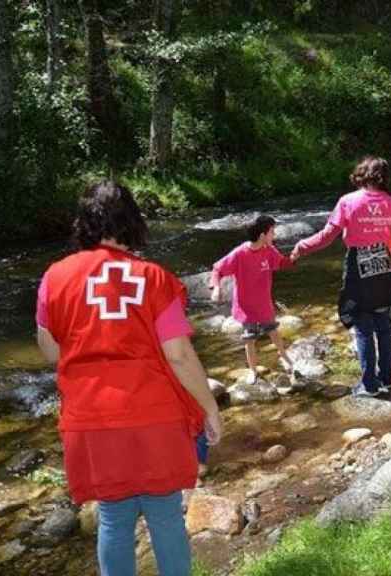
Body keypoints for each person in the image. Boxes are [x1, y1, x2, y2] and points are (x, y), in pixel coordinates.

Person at [35, 181, 223, 576]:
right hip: (154, 417)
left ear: (84, 221)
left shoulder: (55, 277)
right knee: (166, 516)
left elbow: (52, 351)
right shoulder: (154, 278)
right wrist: (209, 408)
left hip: (91, 420)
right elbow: (179, 355)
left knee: (113, 518)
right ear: (132, 221)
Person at [292, 156, 391, 397]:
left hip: (359, 266)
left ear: (362, 174)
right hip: (384, 265)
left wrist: (302, 246)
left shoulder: (348, 202)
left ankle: (369, 385)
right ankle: (386, 378)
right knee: (385, 325)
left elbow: (327, 236)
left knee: (363, 327)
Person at [210, 215, 294, 384]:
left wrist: (297, 254)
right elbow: (217, 269)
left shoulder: (269, 250)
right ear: (262, 235)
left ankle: (284, 357)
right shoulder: (240, 253)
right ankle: (253, 370)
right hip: (246, 306)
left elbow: (282, 263)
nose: (274, 235)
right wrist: (216, 288)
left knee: (273, 331)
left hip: (264, 304)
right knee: (249, 339)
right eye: (272, 231)